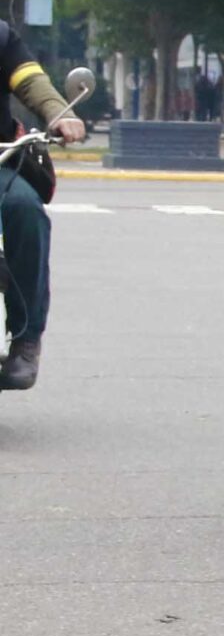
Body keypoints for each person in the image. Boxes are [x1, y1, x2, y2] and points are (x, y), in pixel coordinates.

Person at [1, 19, 88, 390]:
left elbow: (31, 81)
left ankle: (26, 337)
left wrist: (60, 113)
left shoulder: (2, 37)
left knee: (25, 208)